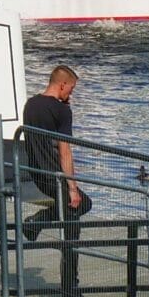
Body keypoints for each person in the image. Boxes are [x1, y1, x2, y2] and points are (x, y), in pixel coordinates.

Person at [20, 65, 91, 238]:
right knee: (80, 204)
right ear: (62, 85)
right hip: (54, 172)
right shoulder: (62, 111)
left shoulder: (30, 104)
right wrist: (72, 187)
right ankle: (38, 222)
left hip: (36, 171)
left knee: (70, 208)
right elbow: (64, 151)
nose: (71, 93)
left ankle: (37, 223)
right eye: (71, 88)